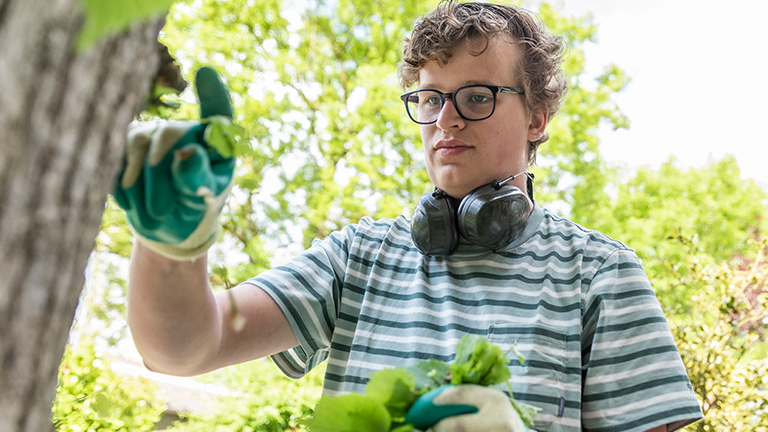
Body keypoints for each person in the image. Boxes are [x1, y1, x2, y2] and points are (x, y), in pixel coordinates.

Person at [115, 2, 704, 431]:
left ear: (538, 118)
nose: (445, 120)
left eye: (477, 97)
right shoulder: (358, 258)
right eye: (429, 99)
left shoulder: (598, 272)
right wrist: (172, 245)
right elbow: (184, 349)